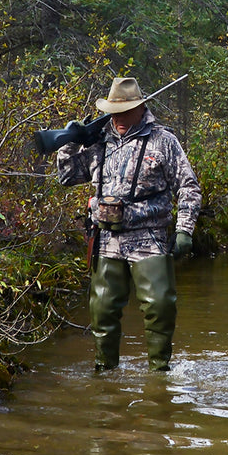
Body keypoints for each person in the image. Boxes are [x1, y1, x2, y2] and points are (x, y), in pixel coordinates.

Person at [56, 77, 202, 371]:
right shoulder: (97, 141)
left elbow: (189, 187)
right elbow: (67, 176)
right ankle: (104, 371)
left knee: (160, 307)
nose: (119, 118)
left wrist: (185, 230)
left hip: (150, 237)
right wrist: (71, 141)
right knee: (102, 310)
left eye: (125, 111)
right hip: (106, 239)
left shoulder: (163, 141)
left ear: (141, 108)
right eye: (114, 112)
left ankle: (159, 375)